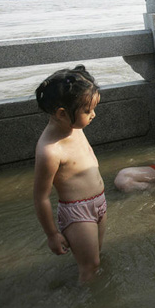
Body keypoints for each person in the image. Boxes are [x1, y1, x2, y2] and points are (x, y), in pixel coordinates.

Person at [33, 65, 106, 283]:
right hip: (77, 212)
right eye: (87, 111)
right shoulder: (50, 150)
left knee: (97, 257)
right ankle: (88, 306)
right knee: (90, 266)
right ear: (62, 114)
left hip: (98, 203)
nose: (93, 114)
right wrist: (52, 234)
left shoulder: (75, 128)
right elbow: (41, 197)